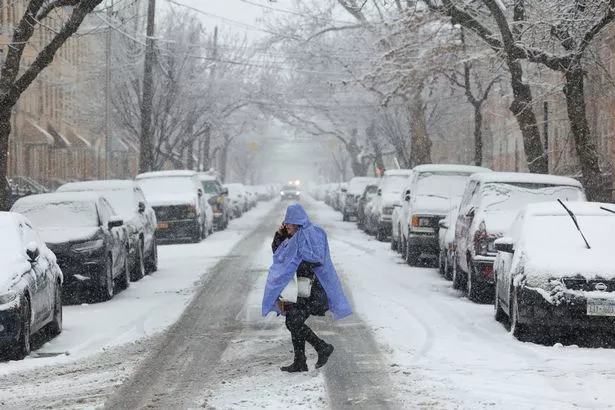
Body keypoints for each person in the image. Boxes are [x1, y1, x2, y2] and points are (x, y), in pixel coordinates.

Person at [262, 203, 352, 372]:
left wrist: (296, 263)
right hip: (300, 288)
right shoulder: (293, 237)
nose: (286, 225)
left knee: (293, 321)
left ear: (296, 222)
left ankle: (321, 348)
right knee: (293, 320)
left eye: (288, 222)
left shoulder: (311, 233)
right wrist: (280, 235)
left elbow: (316, 258)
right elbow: (278, 253)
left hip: (314, 288)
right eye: (285, 222)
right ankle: (301, 361)